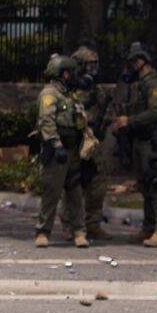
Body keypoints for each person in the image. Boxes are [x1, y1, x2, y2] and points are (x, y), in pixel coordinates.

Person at [114, 42, 157, 247]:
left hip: (153, 141)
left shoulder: (155, 83)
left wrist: (130, 121)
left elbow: (156, 112)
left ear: (140, 62)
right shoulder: (140, 85)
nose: (130, 68)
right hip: (141, 140)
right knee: (146, 185)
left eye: (132, 63)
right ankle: (149, 227)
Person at [33, 55, 95, 247]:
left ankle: (79, 232)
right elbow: (46, 121)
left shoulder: (70, 95)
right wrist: (56, 145)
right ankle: (43, 232)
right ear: (65, 73)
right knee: (52, 193)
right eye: (73, 72)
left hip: (73, 151)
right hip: (56, 152)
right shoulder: (50, 94)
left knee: (75, 193)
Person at [62, 44, 109, 242]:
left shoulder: (96, 90)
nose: (93, 69)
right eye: (89, 65)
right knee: (73, 184)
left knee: (98, 183)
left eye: (95, 65)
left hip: (93, 142)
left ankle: (93, 224)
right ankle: (70, 226)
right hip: (76, 142)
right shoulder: (69, 91)